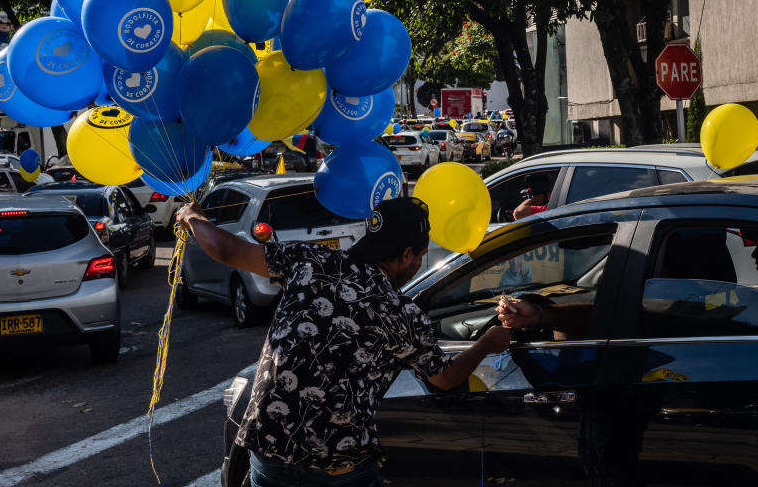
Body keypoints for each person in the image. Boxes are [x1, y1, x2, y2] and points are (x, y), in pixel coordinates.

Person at [176, 197, 511, 487]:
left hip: (268, 453)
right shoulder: (399, 313)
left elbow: (225, 248)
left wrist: (192, 217)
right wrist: (487, 343)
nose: (418, 265)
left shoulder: (309, 260)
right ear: (406, 253)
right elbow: (446, 377)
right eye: (419, 255)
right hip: (337, 467)